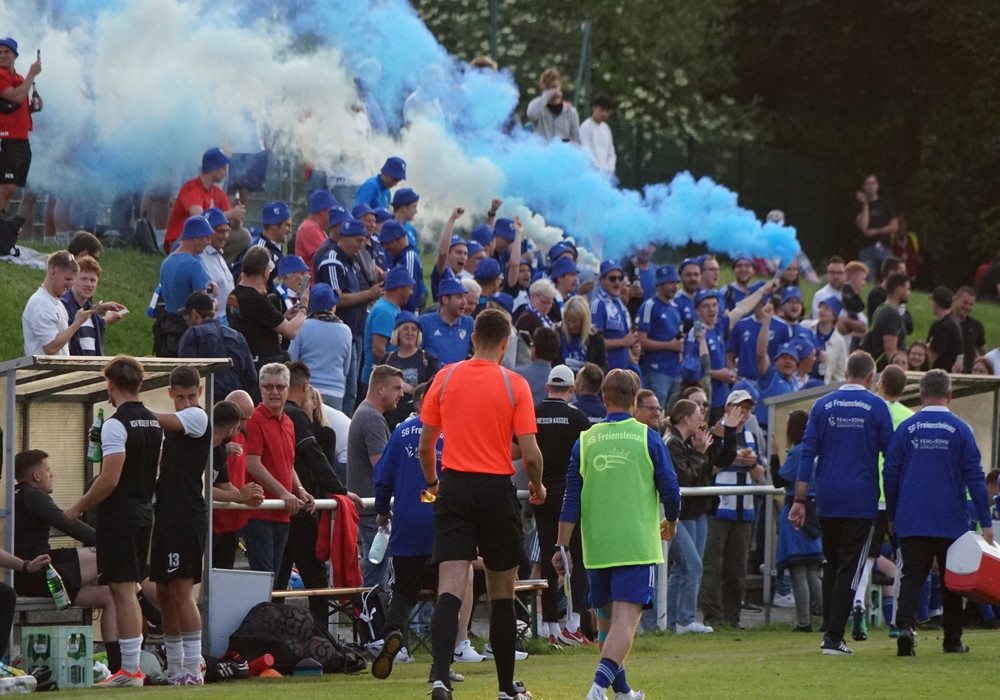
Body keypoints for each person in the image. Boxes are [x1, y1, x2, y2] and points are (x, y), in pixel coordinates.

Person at [419, 309, 545, 700]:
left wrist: (433, 485)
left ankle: (441, 677)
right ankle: (506, 687)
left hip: (454, 485)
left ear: (473, 338)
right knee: (502, 591)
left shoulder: (445, 377)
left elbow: (425, 447)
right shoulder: (514, 384)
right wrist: (538, 486)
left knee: (450, 588)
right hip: (496, 489)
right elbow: (531, 454)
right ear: (506, 344)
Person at [552, 368, 680, 700]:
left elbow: (570, 498)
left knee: (607, 625)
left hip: (597, 547)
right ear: (635, 399)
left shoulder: (586, 440)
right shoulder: (647, 437)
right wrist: (672, 520)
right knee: (625, 622)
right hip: (635, 544)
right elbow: (671, 490)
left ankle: (622, 693)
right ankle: (597, 689)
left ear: (604, 398)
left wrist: (562, 545)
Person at [64, 356, 163, 686]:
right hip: (144, 511)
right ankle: (130, 666)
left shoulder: (115, 424)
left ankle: (130, 669)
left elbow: (109, 479)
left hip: (120, 515)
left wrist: (78, 507)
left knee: (122, 590)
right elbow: (153, 467)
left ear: (110, 386)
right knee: (128, 589)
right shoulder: (154, 422)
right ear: (140, 384)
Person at [789, 351, 894, 655]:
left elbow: (807, 453)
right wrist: (893, 501)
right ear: (871, 377)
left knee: (832, 563)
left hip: (827, 497)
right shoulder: (877, 406)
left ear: (846, 373)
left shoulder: (822, 405)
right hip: (860, 499)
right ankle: (834, 637)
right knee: (851, 566)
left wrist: (799, 499)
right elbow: (891, 458)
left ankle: (829, 630)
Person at [884, 369, 994, 656]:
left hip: (912, 516)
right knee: (952, 579)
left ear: (921, 395)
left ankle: (905, 628)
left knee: (912, 576)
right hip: (950, 519)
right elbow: (975, 477)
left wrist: (892, 514)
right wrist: (985, 521)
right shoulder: (961, 429)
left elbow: (890, 473)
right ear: (950, 395)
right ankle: (952, 640)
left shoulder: (906, 428)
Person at [14, 450, 121, 666]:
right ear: (36, 476)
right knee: (113, 554)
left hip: (35, 576)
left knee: (111, 595)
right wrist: (105, 542)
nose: (51, 475)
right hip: (39, 572)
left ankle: (116, 666)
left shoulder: (18, 495)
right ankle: (148, 606)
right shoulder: (33, 495)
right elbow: (67, 523)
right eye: (48, 470)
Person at [275, 362, 361, 625]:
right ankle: (320, 636)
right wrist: (341, 490)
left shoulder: (274, 415)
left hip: (278, 507)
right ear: (305, 386)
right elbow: (313, 455)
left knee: (276, 580)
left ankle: (273, 633)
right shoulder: (294, 415)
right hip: (299, 510)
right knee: (314, 578)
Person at [147, 366, 212, 685]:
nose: (186, 402)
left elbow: (160, 419)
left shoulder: (197, 417)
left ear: (199, 392)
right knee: (164, 591)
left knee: (182, 592)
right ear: (171, 393)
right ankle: (174, 667)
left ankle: (194, 666)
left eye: (191, 396)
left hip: (186, 515)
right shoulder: (172, 430)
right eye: (180, 397)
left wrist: (133, 410)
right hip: (166, 514)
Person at [529, 365, 593, 646]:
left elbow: (520, 449)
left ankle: (551, 627)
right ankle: (574, 624)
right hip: (571, 496)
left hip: (541, 494)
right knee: (577, 557)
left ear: (547, 387)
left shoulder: (534, 414)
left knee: (547, 557)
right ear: (571, 389)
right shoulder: (577, 417)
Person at [698, 389, 765, 630]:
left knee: (737, 569)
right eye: (739, 407)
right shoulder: (715, 432)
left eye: (747, 408)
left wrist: (753, 464)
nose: (743, 412)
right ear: (727, 408)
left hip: (744, 509)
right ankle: (713, 617)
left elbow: (760, 475)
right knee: (713, 565)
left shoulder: (751, 436)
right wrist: (731, 459)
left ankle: (732, 619)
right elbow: (707, 468)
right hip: (718, 508)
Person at [242, 363, 315, 579]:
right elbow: (252, 463)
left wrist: (299, 489)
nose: (274, 392)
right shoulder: (254, 419)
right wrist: (284, 492)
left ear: (287, 389)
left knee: (273, 579)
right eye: (268, 387)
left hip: (282, 512)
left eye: (280, 387)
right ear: (260, 389)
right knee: (264, 578)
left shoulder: (289, 422)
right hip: (260, 513)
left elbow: (288, 464)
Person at [663, 399, 717, 635]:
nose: (701, 421)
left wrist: (701, 451)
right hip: (674, 513)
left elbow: (699, 475)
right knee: (692, 564)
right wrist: (698, 453)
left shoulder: (682, 441)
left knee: (683, 567)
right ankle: (684, 620)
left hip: (685, 511)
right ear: (686, 419)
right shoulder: (673, 442)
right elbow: (684, 478)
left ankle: (674, 621)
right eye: (698, 416)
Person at [348, 365, 404, 588]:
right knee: (375, 580)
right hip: (374, 511)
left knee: (376, 575)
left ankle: (368, 607)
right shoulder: (372, 418)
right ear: (380, 388)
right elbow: (382, 467)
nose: (402, 394)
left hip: (371, 508)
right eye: (396, 388)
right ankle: (368, 610)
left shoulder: (366, 414)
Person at [771, 410, 823, 632]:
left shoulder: (798, 451)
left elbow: (779, 480)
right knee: (812, 570)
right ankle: (827, 618)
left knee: (798, 569)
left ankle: (803, 622)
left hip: (796, 509)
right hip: (815, 510)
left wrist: (774, 455)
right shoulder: (820, 450)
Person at [210, 395, 265, 570]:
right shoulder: (204, 444)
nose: (243, 425)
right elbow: (200, 488)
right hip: (202, 521)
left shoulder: (220, 447)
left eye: (247, 419)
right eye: (241, 420)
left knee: (222, 573)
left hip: (227, 523)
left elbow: (224, 483)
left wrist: (246, 498)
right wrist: (240, 497)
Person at [22, 251, 111, 357]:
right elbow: (50, 348)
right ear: (53, 273)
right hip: (43, 367)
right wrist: (77, 323)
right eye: (67, 279)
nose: (70, 285)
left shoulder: (58, 304)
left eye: (72, 280)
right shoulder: (40, 303)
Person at [228, 246, 305, 369]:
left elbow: (253, 325)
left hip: (243, 362)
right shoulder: (257, 299)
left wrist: (283, 318)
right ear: (265, 272)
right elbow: (291, 331)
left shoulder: (233, 295)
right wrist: (304, 308)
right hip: (262, 367)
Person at [178, 291, 258, 402]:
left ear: (194, 313)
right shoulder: (237, 336)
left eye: (186, 317)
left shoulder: (193, 334)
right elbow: (252, 376)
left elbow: (186, 373)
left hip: (207, 401)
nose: (187, 321)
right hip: (235, 402)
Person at [163, 147, 244, 254]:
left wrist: (237, 218)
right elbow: (200, 219)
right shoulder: (191, 188)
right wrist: (231, 214)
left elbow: (230, 224)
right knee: (203, 232)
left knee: (243, 235)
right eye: (224, 169)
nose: (226, 173)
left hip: (206, 236)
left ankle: (217, 262)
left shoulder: (218, 192)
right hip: (182, 238)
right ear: (213, 169)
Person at [156, 216, 216, 357]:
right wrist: (215, 303)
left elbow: (177, 290)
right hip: (188, 334)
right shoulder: (195, 265)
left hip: (167, 331)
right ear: (195, 237)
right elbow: (202, 309)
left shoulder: (166, 263)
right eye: (206, 237)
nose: (209, 242)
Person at [288, 283, 353, 410]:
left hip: (306, 390)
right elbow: (346, 369)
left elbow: (291, 359)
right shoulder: (346, 331)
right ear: (332, 306)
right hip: (335, 391)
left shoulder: (302, 326)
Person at [0, 37, 41, 212]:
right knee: (6, 186)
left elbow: (14, 106)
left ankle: (3, 221)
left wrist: (32, 107)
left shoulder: (19, 78)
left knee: (12, 186)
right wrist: (32, 74)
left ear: (15, 55)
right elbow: (16, 96)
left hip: (21, 138)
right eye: (0, 52)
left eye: (7, 52)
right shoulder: (1, 75)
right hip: (6, 137)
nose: (2, 55)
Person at [382, 311, 441, 430]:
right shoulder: (387, 359)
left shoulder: (428, 359)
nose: (410, 333)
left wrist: (411, 389)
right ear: (397, 333)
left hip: (417, 421)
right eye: (405, 329)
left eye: (414, 329)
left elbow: (434, 391)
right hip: (389, 419)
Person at [59, 255, 126, 356]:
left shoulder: (92, 313)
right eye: (83, 279)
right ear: (73, 280)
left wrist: (103, 318)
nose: (89, 284)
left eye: (93, 280)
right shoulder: (62, 307)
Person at [637, 265, 684, 407]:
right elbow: (641, 340)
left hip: (675, 371)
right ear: (660, 285)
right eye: (670, 283)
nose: (675, 287)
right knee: (656, 410)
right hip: (656, 370)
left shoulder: (675, 308)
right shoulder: (649, 306)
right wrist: (668, 346)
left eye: (676, 283)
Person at [362, 266, 414, 387]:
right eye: (410, 288)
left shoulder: (391, 308)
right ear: (399, 289)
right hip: (379, 384)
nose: (411, 292)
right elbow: (378, 351)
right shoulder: (384, 311)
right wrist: (393, 378)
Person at [420, 273, 475, 366]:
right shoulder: (425, 322)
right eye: (459, 297)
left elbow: (479, 351)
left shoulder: (468, 323)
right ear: (445, 299)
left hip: (458, 374)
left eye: (464, 296)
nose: (464, 302)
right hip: (434, 375)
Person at [591, 260, 637, 371]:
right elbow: (594, 343)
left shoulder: (620, 305)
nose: (617, 282)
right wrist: (622, 342)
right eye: (612, 279)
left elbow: (626, 343)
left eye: (620, 278)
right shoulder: (598, 305)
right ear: (602, 280)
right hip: (606, 372)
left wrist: (635, 366)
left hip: (622, 371)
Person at [861, 271, 910, 370]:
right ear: (899, 290)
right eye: (907, 289)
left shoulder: (881, 309)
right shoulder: (891, 315)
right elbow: (890, 353)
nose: (909, 293)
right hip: (884, 371)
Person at [855, 174, 898, 283]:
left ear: (877, 186)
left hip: (884, 248)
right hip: (866, 249)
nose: (871, 186)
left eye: (873, 183)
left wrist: (877, 231)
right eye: (868, 183)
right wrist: (865, 205)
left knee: (890, 279)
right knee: (869, 282)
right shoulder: (859, 206)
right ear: (863, 187)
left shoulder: (886, 204)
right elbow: (863, 227)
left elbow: (894, 226)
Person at [379, 219, 425, 312]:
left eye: (387, 243)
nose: (385, 248)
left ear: (399, 240)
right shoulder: (402, 258)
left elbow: (408, 293)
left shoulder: (408, 259)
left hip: (405, 315)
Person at [526, 67, 580, 144]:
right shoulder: (538, 107)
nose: (553, 92)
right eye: (549, 88)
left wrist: (568, 145)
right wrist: (547, 95)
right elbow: (530, 114)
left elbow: (577, 141)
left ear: (560, 86)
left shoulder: (571, 112)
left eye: (554, 87)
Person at [200, 208, 235, 324]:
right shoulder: (201, 258)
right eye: (220, 231)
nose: (225, 236)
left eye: (227, 231)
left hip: (228, 321)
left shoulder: (218, 254)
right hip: (214, 323)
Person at [559, 295, 607, 373]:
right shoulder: (558, 334)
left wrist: (591, 372)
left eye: (575, 321)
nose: (571, 325)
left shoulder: (596, 338)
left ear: (584, 320)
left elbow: (603, 368)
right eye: (568, 320)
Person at [294, 189, 338, 273]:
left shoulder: (316, 227)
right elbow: (326, 257)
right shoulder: (309, 228)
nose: (333, 215)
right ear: (322, 212)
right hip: (311, 280)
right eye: (331, 211)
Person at [926, 286, 963, 371]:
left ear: (936, 304)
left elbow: (931, 357)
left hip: (942, 372)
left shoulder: (945, 326)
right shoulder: (951, 323)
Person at [579, 95, 616, 178]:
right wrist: (599, 172)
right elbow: (586, 153)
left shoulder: (606, 128)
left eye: (607, 111)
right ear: (594, 108)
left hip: (605, 177)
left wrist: (609, 171)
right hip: (590, 176)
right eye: (601, 110)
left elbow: (611, 153)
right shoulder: (585, 127)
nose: (604, 114)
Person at [951, 286, 986, 373]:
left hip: (968, 375)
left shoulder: (976, 326)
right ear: (955, 299)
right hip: (945, 374)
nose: (967, 307)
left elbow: (984, 353)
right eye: (965, 302)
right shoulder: (943, 324)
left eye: (971, 304)